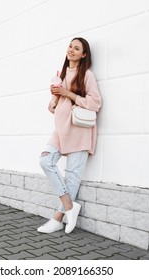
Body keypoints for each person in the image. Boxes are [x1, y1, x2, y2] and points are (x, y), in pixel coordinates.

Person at [38, 37, 102, 234]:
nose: (71, 50)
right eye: (70, 46)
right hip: (61, 129)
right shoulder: (62, 74)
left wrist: (68, 94)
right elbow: (53, 107)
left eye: (77, 48)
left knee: (72, 176)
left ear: (84, 54)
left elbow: (95, 103)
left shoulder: (87, 75)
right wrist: (54, 99)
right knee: (45, 161)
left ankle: (58, 219)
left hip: (79, 131)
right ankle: (69, 206)